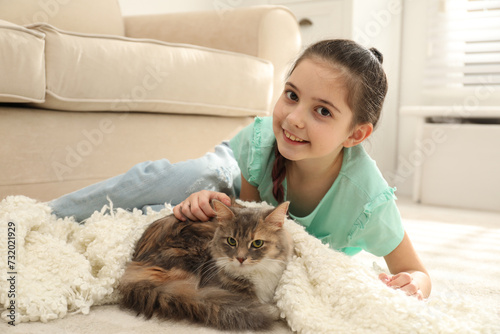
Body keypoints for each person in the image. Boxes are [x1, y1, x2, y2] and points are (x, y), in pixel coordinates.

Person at [50, 39, 431, 299]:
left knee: (157, 219)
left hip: (259, 237)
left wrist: (412, 284)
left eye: (322, 111)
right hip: (238, 191)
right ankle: (52, 214)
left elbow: (419, 272)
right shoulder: (265, 139)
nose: (293, 119)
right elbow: (241, 213)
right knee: (194, 179)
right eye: (292, 95)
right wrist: (208, 203)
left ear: (356, 134)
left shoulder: (367, 201)